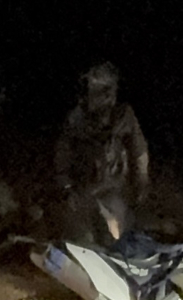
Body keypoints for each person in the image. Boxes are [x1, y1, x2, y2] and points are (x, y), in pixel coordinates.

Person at [54, 61, 149, 243]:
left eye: (99, 91)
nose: (91, 96)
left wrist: (141, 183)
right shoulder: (76, 119)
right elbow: (62, 156)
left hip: (114, 189)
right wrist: (67, 188)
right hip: (84, 190)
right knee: (81, 238)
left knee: (113, 236)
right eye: (92, 90)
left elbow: (139, 153)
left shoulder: (124, 116)